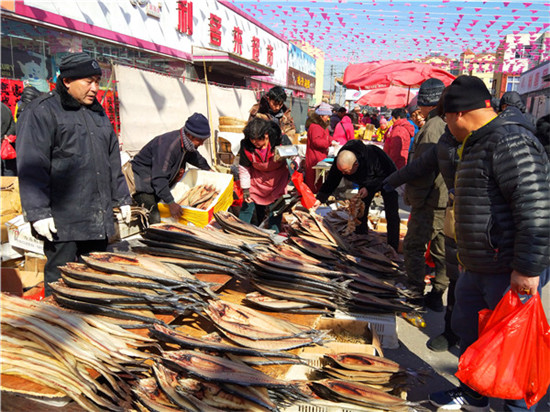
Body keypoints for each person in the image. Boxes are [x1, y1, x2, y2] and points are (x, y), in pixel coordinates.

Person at [429, 75, 550, 412]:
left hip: (507, 266)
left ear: (457, 114)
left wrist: (526, 268)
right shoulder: (478, 140)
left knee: (510, 347)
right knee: (467, 328)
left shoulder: (509, 141)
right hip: (478, 262)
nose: (447, 127)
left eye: (446, 120)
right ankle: (473, 394)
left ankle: (514, 409)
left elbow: (536, 209)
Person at [16, 52, 132, 297]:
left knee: (94, 279)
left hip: (96, 217)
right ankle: (58, 331)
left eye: (97, 81)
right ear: (67, 81)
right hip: (63, 221)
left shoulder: (98, 113)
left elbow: (112, 159)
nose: (95, 88)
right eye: (88, 81)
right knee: (63, 282)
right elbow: (31, 164)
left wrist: (122, 197)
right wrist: (38, 212)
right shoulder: (43, 111)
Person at [402, 78, 448, 310]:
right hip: (442, 198)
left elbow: (422, 169)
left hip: (430, 200)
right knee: (441, 250)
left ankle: (415, 294)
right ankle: (437, 294)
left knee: (414, 247)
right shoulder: (444, 123)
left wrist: (413, 197)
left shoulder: (432, 127)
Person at [315, 139, 400, 252]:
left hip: (387, 178)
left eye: (346, 171)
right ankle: (361, 237)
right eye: (341, 171)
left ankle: (393, 246)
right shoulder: (341, 161)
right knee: (360, 210)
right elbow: (332, 180)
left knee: (391, 212)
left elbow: (385, 176)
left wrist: (369, 188)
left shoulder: (373, 157)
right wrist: (320, 198)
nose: (343, 174)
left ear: (356, 164)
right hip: (366, 182)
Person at [131, 112, 212, 224]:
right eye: (201, 140)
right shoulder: (168, 146)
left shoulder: (187, 143)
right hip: (144, 184)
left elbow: (194, 157)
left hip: (158, 183)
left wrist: (208, 169)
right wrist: (171, 203)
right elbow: (159, 179)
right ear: (190, 135)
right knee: (155, 218)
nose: (202, 144)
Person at [238, 117, 291, 232]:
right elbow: (244, 168)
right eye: (252, 139)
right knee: (247, 207)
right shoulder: (246, 146)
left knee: (276, 211)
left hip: (278, 181)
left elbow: (294, 157)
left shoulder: (280, 141)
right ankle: (239, 231)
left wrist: (294, 165)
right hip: (257, 181)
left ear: (266, 135)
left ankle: (274, 235)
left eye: (258, 139)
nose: (254, 142)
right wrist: (246, 190)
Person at [305, 103, 333, 194]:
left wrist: (333, 141)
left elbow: (327, 137)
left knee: (319, 181)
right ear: (321, 115)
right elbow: (316, 142)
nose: (328, 118)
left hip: (320, 157)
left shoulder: (322, 126)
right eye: (327, 115)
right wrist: (329, 142)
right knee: (313, 182)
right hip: (315, 158)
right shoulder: (315, 126)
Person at [1, 102, 16, 176]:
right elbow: (13, 126)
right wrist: (6, 135)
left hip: (3, 143)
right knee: (8, 170)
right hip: (5, 145)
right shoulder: (5, 108)